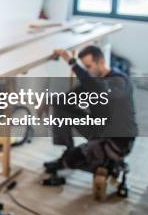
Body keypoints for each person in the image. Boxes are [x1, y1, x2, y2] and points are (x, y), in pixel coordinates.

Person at [43, 45, 138, 178]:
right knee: (60, 105)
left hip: (118, 141)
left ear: (102, 62)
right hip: (98, 129)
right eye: (85, 67)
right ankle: (68, 150)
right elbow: (66, 99)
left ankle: (111, 164)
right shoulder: (91, 83)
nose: (88, 71)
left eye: (89, 67)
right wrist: (46, 101)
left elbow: (99, 89)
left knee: (73, 160)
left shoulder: (120, 81)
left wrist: (73, 63)